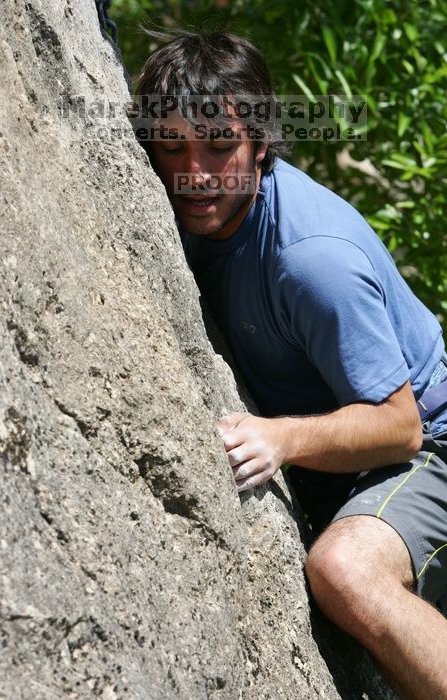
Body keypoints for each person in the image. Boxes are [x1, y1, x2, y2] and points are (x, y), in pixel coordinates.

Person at [134, 30, 447, 699]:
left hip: (429, 443)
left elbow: (402, 426)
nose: (195, 171)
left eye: (221, 147)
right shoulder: (189, 209)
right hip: (362, 451)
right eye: (173, 147)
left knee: (344, 570)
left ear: (261, 143)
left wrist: (282, 438)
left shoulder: (310, 260)